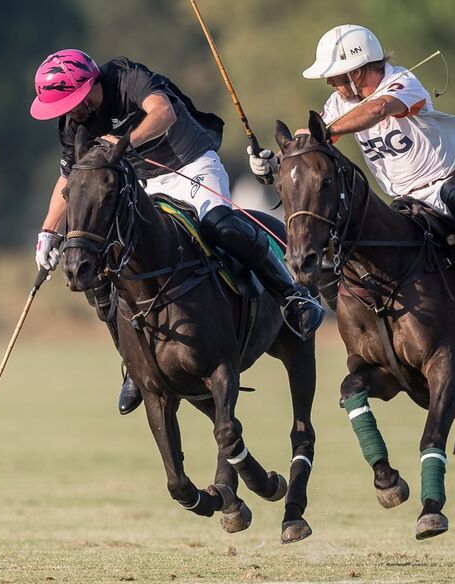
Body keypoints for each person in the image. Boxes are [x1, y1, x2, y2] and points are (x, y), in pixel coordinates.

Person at [30, 49, 325, 414]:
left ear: (87, 87)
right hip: (141, 184)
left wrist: (122, 145)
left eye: (70, 103)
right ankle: (135, 364)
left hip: (189, 163)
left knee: (219, 225)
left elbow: (162, 112)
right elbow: (69, 177)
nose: (67, 114)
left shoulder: (125, 77)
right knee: (107, 265)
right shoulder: (74, 124)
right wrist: (48, 231)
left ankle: (293, 297)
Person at [249, 25, 455, 320]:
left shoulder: (403, 82)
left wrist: (326, 129)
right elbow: (310, 142)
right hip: (403, 201)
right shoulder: (339, 102)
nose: (330, 83)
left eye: (335, 76)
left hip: (444, 181)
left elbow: (378, 109)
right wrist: (276, 161)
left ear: (357, 72)